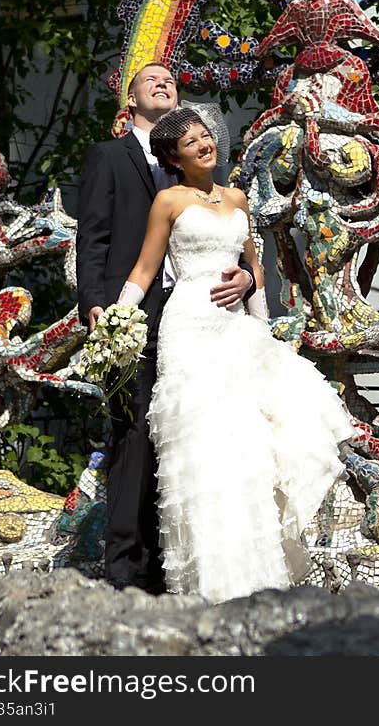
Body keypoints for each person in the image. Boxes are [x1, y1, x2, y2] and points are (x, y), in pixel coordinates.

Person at [116, 107, 354, 602]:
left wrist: (257, 311)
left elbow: (254, 270)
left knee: (248, 444)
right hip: (188, 328)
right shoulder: (168, 200)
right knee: (201, 447)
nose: (204, 144)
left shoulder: (238, 197)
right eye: (190, 142)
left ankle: (257, 579)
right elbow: (144, 270)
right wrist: (117, 322)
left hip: (233, 330)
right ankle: (210, 585)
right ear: (173, 158)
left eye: (206, 135)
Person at [75, 64, 256, 594]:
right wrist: (99, 309)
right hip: (134, 317)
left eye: (169, 78)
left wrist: (245, 279)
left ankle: (183, 558)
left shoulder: (207, 177)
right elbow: (94, 238)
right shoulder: (109, 157)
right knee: (134, 434)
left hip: (205, 319)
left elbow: (243, 247)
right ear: (128, 99)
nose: (162, 81)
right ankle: (125, 570)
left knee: (196, 434)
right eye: (149, 78)